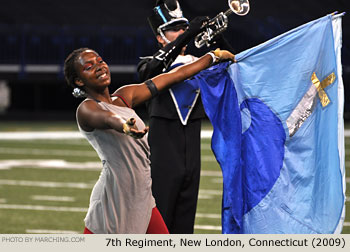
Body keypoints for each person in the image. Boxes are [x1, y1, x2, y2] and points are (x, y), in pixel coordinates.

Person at [63, 47, 234, 234]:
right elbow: (107, 118)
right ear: (79, 81)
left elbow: (175, 75)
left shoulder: (124, 96)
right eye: (89, 66)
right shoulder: (86, 109)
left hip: (142, 195)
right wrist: (124, 126)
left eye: (100, 60)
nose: (99, 66)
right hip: (114, 197)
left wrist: (212, 56)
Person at [137, 0, 234, 233]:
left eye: (184, 27)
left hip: (192, 142)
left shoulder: (198, 63)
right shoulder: (149, 63)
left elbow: (235, 66)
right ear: (160, 37)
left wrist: (217, 37)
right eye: (175, 28)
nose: (181, 31)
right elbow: (151, 72)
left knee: (185, 220)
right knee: (162, 214)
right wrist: (189, 34)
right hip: (164, 143)